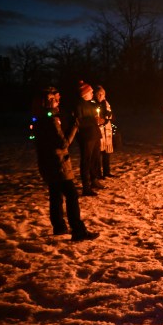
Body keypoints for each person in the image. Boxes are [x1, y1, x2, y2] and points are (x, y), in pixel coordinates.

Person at [33, 87, 99, 241]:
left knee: (55, 194)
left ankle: (59, 226)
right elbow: (63, 143)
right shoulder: (51, 119)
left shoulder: (39, 118)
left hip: (46, 163)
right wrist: (74, 126)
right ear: (48, 102)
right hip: (58, 163)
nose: (57, 101)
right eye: (54, 99)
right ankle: (78, 230)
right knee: (71, 194)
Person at [75, 81, 104, 196]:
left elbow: (94, 117)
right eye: (90, 91)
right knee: (86, 161)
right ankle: (86, 186)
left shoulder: (90, 104)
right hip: (86, 137)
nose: (93, 93)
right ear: (84, 94)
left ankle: (94, 179)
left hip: (95, 135)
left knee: (95, 159)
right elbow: (79, 122)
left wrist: (99, 119)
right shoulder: (79, 105)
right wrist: (94, 120)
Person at [94, 85, 116, 178]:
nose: (100, 96)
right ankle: (98, 173)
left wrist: (107, 117)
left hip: (107, 130)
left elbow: (110, 115)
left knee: (107, 152)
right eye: (99, 94)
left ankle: (106, 171)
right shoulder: (93, 103)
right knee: (98, 153)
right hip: (98, 130)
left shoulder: (106, 103)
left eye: (102, 94)